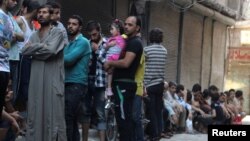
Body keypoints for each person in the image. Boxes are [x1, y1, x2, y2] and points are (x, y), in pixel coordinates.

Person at [21, 4, 67, 141]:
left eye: (45, 12)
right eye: (39, 12)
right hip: (36, 82)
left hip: (52, 81)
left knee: (53, 116)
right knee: (35, 113)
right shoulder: (34, 34)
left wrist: (34, 50)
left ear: (51, 16)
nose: (41, 14)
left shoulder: (58, 32)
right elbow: (24, 51)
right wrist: (42, 47)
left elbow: (51, 51)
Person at [104, 16, 143, 141]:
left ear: (137, 28)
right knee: (122, 121)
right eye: (125, 24)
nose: (126, 26)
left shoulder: (135, 42)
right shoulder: (126, 41)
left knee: (124, 121)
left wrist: (110, 63)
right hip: (119, 85)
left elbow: (126, 63)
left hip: (124, 86)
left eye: (130, 25)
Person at [64, 15, 91, 141]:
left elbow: (68, 60)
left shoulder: (83, 42)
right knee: (71, 119)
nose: (70, 26)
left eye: (74, 24)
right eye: (69, 23)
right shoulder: (68, 42)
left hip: (76, 84)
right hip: (67, 83)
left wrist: (54, 54)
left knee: (68, 117)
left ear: (80, 27)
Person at [82, 20, 107, 141]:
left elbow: (108, 63)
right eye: (90, 35)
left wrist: (97, 50)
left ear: (99, 31)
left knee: (100, 113)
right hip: (87, 81)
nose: (92, 37)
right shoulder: (87, 43)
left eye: (95, 34)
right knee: (85, 111)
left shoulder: (107, 44)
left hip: (101, 82)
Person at [144, 28, 167, 140]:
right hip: (160, 84)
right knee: (159, 110)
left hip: (150, 84)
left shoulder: (147, 50)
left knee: (151, 111)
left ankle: (153, 134)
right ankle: (159, 132)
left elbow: (143, 66)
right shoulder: (164, 50)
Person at [104, 19, 126, 97]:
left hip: (116, 58)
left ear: (118, 30)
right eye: (110, 29)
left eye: (112, 29)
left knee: (110, 73)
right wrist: (109, 45)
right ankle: (108, 88)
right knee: (108, 74)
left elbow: (122, 49)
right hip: (109, 57)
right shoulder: (110, 39)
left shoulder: (122, 39)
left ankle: (109, 88)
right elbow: (105, 48)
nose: (110, 31)